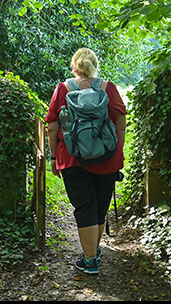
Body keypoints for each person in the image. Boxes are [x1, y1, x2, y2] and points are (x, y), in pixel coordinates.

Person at [45, 48, 127, 275]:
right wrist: (116, 151)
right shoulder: (108, 88)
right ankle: (94, 252)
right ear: (94, 65)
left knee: (84, 207)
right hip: (107, 159)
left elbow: (52, 126)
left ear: (74, 66)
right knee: (100, 207)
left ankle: (90, 260)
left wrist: (53, 158)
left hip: (73, 158)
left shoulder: (63, 89)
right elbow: (120, 122)